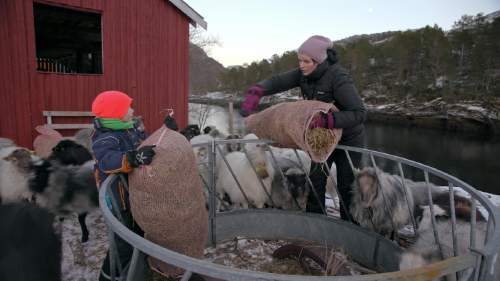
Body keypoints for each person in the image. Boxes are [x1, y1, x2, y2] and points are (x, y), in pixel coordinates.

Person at [239, 35, 366, 221]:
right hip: (322, 139)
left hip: (348, 138)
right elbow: (277, 81)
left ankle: (349, 228)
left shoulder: (338, 77)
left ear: (320, 61)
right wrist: (258, 90)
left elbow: (359, 113)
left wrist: (328, 120)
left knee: (346, 185)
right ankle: (315, 221)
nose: (302, 65)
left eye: (307, 61)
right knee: (317, 179)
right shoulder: (304, 74)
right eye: (300, 60)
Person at [91, 90, 177, 280]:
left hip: (133, 195)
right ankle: (107, 277)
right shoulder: (106, 137)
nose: (132, 110)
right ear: (116, 112)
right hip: (119, 200)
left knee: (137, 234)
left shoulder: (128, 128)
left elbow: (146, 144)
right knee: (122, 243)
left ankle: (134, 269)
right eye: (128, 107)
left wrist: (165, 131)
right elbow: (106, 160)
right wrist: (132, 158)